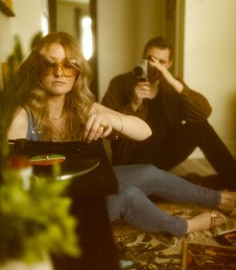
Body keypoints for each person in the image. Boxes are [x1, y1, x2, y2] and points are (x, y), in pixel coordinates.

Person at [7, 32, 236, 238]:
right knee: (127, 194)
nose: (59, 72)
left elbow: (145, 132)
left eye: (68, 65)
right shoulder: (22, 118)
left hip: (83, 187)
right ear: (38, 68)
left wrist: (113, 119)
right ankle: (183, 227)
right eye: (50, 64)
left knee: (148, 173)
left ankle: (219, 199)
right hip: (53, 211)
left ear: (77, 72)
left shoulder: (83, 107)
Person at [101, 36, 236, 191]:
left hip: (163, 152)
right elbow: (107, 131)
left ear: (169, 64)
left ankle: (233, 180)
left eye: (162, 62)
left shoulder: (171, 85)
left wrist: (172, 81)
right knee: (149, 192)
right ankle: (188, 182)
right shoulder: (120, 82)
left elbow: (204, 112)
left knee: (200, 126)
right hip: (132, 157)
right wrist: (134, 104)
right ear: (143, 58)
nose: (155, 66)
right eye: (151, 59)